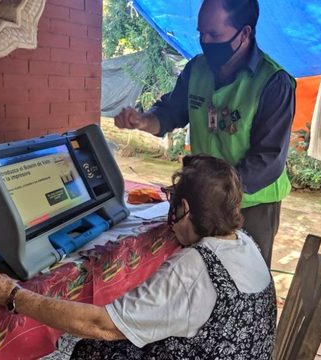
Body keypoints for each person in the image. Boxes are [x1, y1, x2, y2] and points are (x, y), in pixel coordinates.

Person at [0, 154, 276, 359]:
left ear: (184, 209)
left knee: (90, 347)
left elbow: (102, 325)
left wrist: (13, 296)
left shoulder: (194, 268)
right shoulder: (246, 243)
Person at [114, 0, 296, 267]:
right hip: (201, 198)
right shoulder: (196, 69)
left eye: (214, 35)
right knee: (198, 275)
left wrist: (216, 193)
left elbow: (268, 160)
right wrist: (143, 121)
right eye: (201, 33)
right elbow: (169, 112)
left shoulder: (274, 83)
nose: (204, 41)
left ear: (244, 33)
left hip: (251, 205)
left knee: (242, 280)